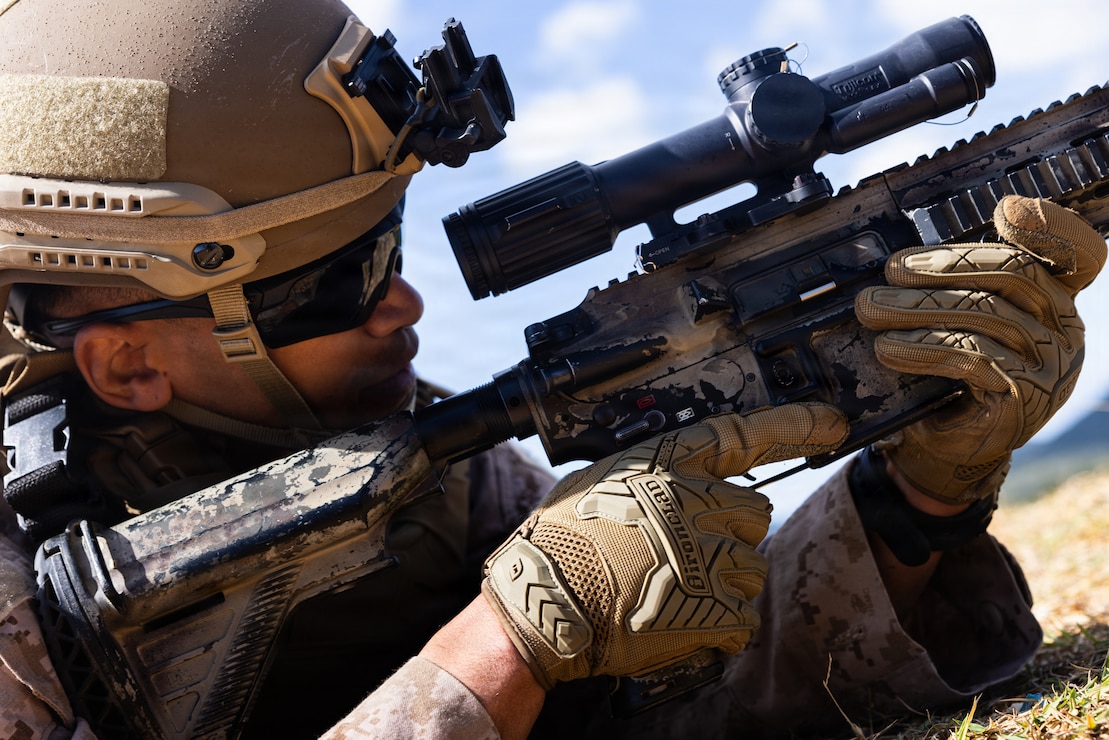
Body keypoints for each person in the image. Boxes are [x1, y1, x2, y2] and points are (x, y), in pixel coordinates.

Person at [0, 2, 1103, 740]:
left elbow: (668, 710)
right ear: (132, 361)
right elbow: (533, 649)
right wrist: (498, 648)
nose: (405, 302)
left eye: (392, 242)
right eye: (341, 282)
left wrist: (916, 494)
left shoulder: (422, 466)